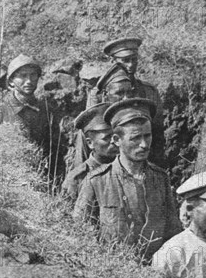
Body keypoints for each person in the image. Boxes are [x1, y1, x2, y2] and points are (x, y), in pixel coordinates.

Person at [73, 98, 180, 260]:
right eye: (135, 138)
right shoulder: (96, 182)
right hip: (115, 274)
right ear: (117, 140)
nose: (144, 144)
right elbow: (80, 235)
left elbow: (173, 232)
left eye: (147, 136)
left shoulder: (160, 179)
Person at [0, 54, 65, 179]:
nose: (29, 81)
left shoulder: (46, 112)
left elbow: (55, 152)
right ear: (11, 81)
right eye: (23, 76)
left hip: (40, 178)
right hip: (6, 179)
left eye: (33, 75)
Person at [102, 37, 166, 167]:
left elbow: (158, 134)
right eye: (125, 60)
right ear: (112, 61)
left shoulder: (149, 92)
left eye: (134, 59)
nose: (131, 65)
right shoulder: (100, 94)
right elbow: (95, 137)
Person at [61, 102, 118, 203]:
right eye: (106, 138)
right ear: (90, 143)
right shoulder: (77, 178)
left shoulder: (128, 168)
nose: (113, 142)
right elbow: (65, 216)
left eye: (115, 136)